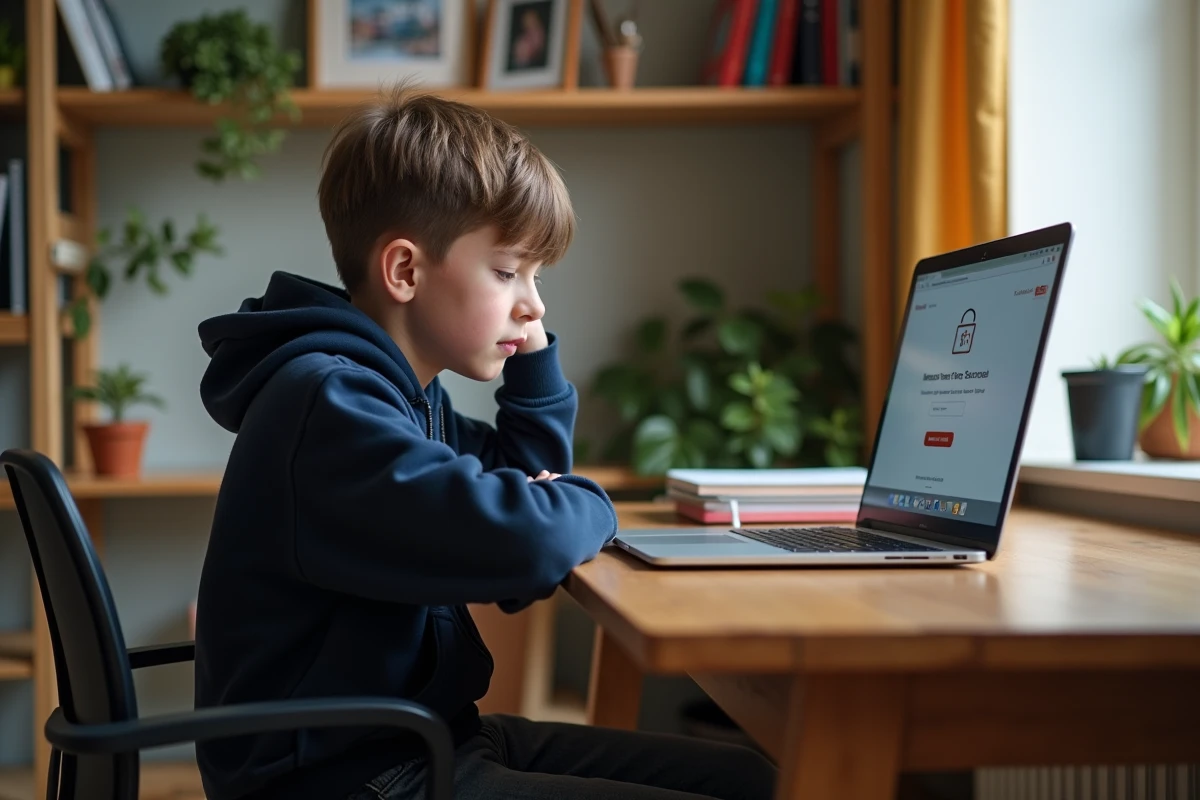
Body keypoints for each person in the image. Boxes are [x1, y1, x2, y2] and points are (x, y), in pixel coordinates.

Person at [192, 84, 777, 800]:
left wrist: (532, 361)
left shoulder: (402, 396)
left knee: (754, 780)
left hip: (421, 736)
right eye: (507, 272)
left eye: (535, 275)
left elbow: (521, 484)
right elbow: (525, 541)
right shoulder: (330, 406)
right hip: (346, 777)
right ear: (405, 270)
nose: (535, 304)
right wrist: (590, 503)